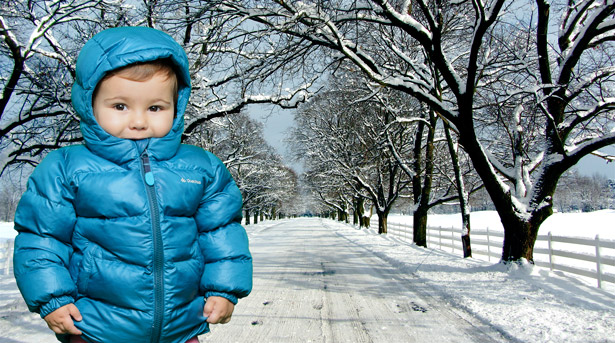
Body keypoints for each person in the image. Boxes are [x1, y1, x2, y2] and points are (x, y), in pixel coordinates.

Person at [12, 26, 253, 343]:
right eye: (120, 106)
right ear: (90, 103)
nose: (139, 121)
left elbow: (221, 234)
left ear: (176, 106)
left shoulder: (201, 167)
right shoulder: (66, 168)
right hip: (96, 327)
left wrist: (224, 289)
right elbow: (43, 239)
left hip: (180, 328)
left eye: (155, 107)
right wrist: (52, 299)